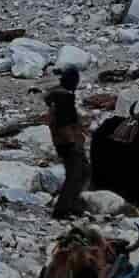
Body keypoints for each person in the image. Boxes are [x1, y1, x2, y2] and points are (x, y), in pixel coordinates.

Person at [44, 67, 90, 220]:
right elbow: (64, 124)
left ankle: (73, 206)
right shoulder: (64, 99)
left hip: (63, 142)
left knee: (82, 172)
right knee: (76, 175)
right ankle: (62, 210)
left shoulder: (58, 97)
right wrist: (74, 142)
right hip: (69, 143)